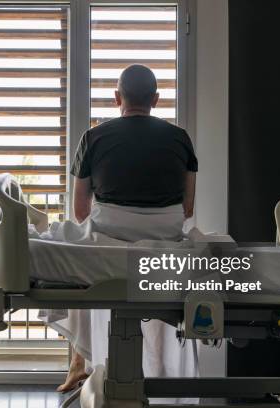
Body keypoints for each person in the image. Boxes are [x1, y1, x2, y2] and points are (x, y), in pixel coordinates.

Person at [56, 64, 198, 392]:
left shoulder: (94, 137)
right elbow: (188, 208)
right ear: (156, 100)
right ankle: (161, 369)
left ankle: (79, 360)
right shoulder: (180, 139)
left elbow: (80, 212)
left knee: (70, 256)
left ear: (116, 97)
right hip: (164, 236)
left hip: (108, 237)